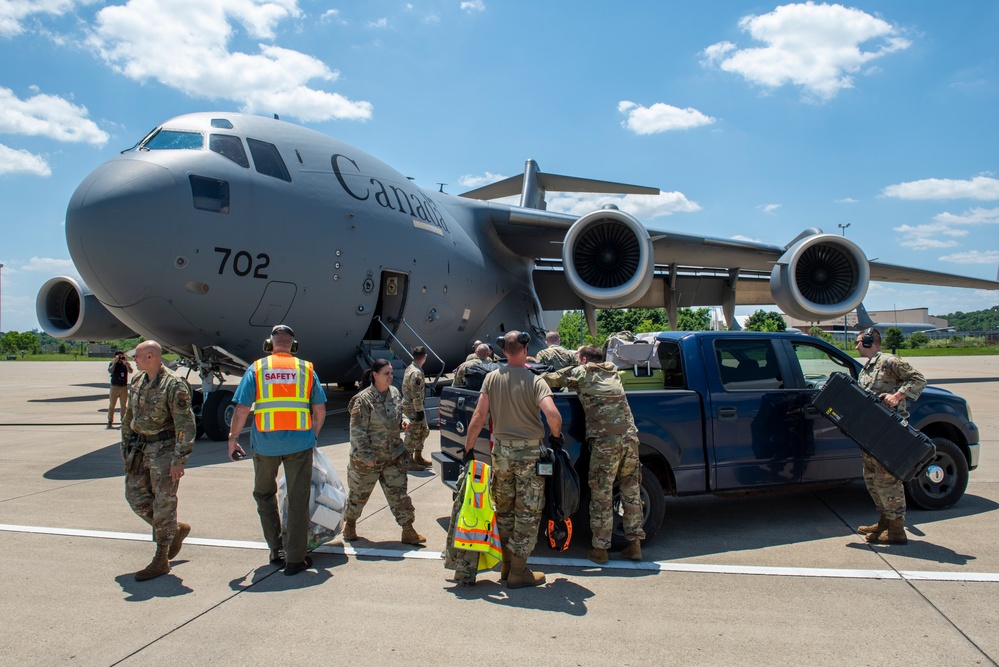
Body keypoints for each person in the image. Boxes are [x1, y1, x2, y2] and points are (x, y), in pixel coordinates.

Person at [463, 330, 563, 588]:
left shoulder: (491, 379)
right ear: (525, 351)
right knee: (527, 512)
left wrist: (469, 448)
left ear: (504, 352)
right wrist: (556, 437)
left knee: (504, 509)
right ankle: (519, 571)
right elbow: (552, 415)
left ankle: (506, 566)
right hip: (529, 455)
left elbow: (478, 416)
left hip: (502, 454)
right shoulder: (535, 380)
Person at [228, 324, 327, 576]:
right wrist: (312, 436)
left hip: (265, 444)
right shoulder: (306, 369)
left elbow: (241, 408)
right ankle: (295, 558)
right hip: (299, 444)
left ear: (269, 344)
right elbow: (319, 410)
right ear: (293, 345)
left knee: (264, 494)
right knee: (297, 499)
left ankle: (275, 548)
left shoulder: (258, 368)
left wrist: (232, 438)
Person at [542, 344, 645, 564]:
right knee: (631, 490)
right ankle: (635, 545)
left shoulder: (581, 371)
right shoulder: (613, 371)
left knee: (601, 494)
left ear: (584, 359)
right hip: (629, 439)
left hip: (605, 442)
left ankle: (600, 549)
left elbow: (551, 380)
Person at [120, 340, 196, 581]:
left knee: (164, 503)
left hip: (164, 450)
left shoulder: (174, 385)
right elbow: (129, 415)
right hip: (140, 448)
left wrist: (179, 460)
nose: (134, 360)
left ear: (151, 357)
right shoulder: (137, 381)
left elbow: (186, 424)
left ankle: (161, 558)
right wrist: (125, 444)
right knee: (136, 498)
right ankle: (175, 530)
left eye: (138, 357)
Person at [343, 358, 427, 545]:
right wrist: (366, 456)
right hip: (368, 460)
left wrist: (403, 421)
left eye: (391, 373)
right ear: (375, 375)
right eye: (386, 373)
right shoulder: (363, 400)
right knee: (358, 495)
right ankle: (350, 524)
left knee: (399, 495)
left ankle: (408, 530)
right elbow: (357, 431)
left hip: (393, 456)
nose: (390, 377)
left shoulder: (394, 393)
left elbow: (399, 413)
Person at [854, 327, 926, 545]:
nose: (856, 345)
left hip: (889, 432)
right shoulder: (867, 368)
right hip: (871, 432)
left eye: (858, 341)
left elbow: (918, 379)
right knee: (872, 478)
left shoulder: (889, 361)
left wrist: (897, 396)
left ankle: (896, 531)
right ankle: (884, 521)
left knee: (888, 480)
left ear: (868, 341)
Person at [402, 346, 431, 471]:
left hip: (414, 406)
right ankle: (408, 460)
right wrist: (419, 410)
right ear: (424, 357)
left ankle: (418, 456)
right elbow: (416, 393)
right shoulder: (416, 372)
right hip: (413, 408)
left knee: (423, 431)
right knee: (412, 434)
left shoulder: (411, 368)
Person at [107, 350, 132, 428]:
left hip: (123, 387)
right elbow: (110, 371)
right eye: (119, 356)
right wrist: (115, 362)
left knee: (123, 406)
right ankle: (110, 421)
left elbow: (130, 371)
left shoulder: (125, 364)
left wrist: (126, 363)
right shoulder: (112, 363)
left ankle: (123, 421)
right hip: (114, 387)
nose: (121, 358)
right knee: (112, 405)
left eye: (122, 356)